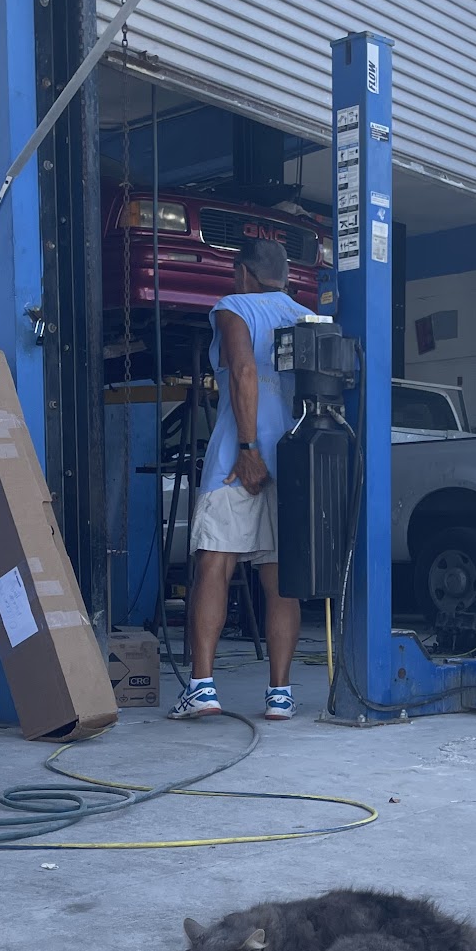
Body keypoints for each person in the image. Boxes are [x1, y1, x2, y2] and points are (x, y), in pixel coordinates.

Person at [170, 237, 311, 722]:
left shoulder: (235, 307)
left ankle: (202, 688)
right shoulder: (307, 318)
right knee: (281, 580)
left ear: (244, 273)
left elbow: (244, 369)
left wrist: (249, 449)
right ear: (285, 277)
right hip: (293, 460)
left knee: (214, 564)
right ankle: (280, 695)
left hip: (238, 459)